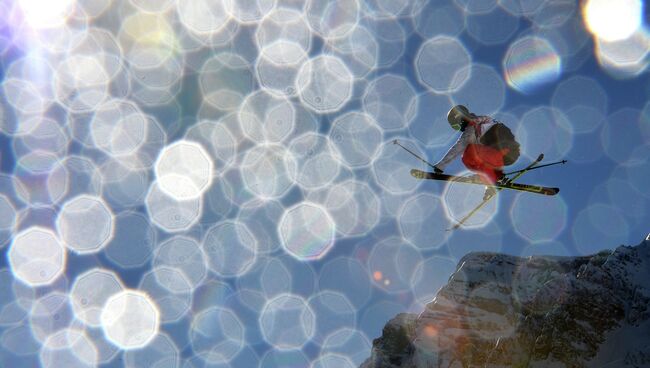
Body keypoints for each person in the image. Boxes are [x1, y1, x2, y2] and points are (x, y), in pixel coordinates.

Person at [433, 105, 520, 200]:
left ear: (460, 119)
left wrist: (440, 166)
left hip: (502, 151)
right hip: (510, 153)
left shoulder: (472, 126)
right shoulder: (481, 122)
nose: (458, 129)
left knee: (468, 155)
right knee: (478, 154)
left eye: (456, 125)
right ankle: (495, 178)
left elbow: (459, 147)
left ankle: (491, 179)